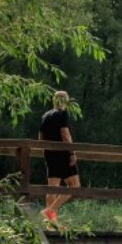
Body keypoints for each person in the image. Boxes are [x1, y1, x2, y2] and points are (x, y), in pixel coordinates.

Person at [38, 91, 78, 225]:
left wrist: (47, 152)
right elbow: (65, 135)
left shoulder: (45, 115)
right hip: (63, 154)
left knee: (52, 188)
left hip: (49, 154)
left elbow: (40, 138)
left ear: (54, 101)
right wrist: (72, 153)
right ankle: (50, 210)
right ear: (66, 102)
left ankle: (52, 224)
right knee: (74, 186)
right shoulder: (63, 114)